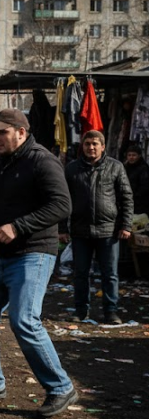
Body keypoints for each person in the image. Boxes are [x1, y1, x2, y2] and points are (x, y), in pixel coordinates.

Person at [0, 108, 77, 418]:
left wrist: (18, 226)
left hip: (34, 253)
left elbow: (62, 205)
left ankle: (60, 387)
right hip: (0, 255)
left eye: (1, 132)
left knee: (24, 319)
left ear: (20, 133)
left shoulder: (42, 161)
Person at [60, 131, 133, 325]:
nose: (91, 147)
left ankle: (111, 312)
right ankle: (80, 310)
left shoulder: (115, 167)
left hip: (108, 231)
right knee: (81, 273)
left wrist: (126, 225)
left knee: (110, 274)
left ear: (102, 146)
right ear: (82, 146)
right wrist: (62, 228)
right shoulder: (72, 169)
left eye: (95, 144)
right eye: (87, 144)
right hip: (80, 231)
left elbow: (126, 197)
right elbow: (63, 201)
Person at [124, 145, 149, 215]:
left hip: (139, 204)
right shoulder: (125, 167)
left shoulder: (144, 169)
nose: (131, 157)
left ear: (139, 156)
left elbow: (144, 188)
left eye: (134, 155)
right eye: (129, 155)